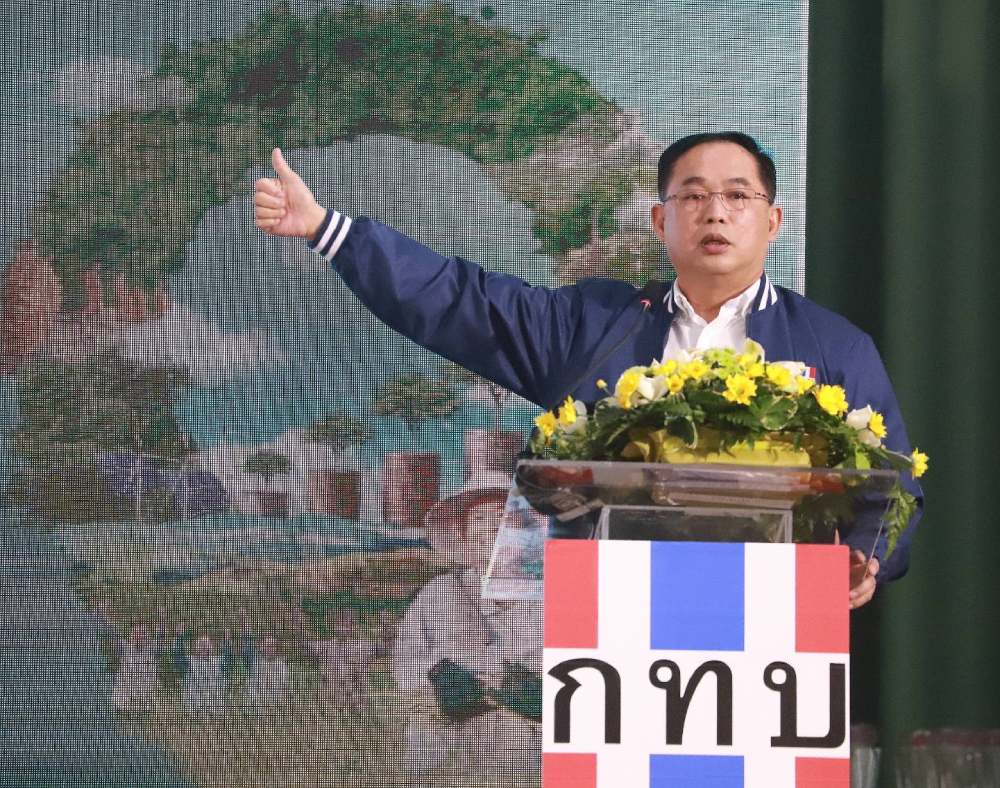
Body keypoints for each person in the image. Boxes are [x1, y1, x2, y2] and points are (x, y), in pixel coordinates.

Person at [253, 132, 924, 608]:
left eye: (737, 195)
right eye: (692, 196)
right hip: (612, 621)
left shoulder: (833, 347)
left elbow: (888, 484)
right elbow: (462, 301)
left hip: (776, 622)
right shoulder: (600, 326)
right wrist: (329, 230)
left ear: (772, 221)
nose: (716, 211)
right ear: (661, 221)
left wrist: (866, 559)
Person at [390, 472, 543, 787]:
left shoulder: (554, 595)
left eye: (502, 518)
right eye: (478, 520)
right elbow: (405, 664)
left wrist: (517, 682)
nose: (490, 529)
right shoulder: (440, 593)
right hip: (449, 737)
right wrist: (440, 678)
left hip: (527, 741)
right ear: (463, 534)